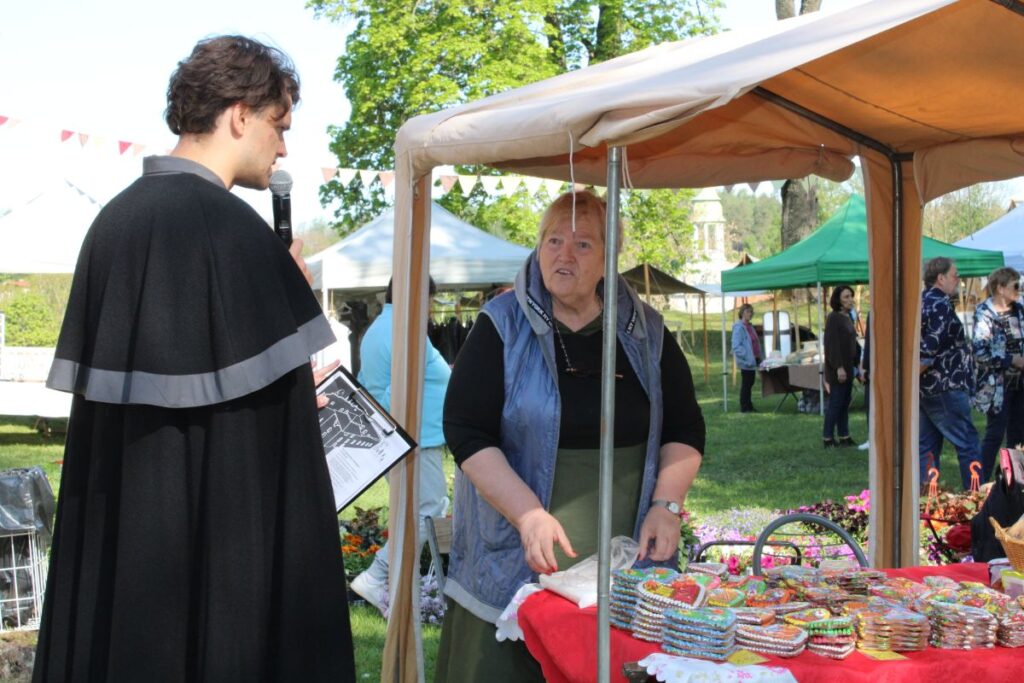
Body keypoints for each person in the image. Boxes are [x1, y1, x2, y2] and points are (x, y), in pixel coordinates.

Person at [34, 36, 355, 682]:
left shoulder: (111, 226)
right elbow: (274, 451)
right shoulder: (242, 237)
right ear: (240, 115)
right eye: (279, 125)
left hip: (125, 567)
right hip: (226, 581)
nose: (284, 148)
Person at [436, 190, 706, 682]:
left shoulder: (646, 331)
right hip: (518, 554)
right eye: (553, 240)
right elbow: (466, 429)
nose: (564, 255)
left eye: (583, 244)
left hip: (627, 555)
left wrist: (667, 505)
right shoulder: (502, 325)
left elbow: (684, 427)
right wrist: (527, 514)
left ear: (607, 258)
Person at [350, 276, 451, 614]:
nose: (431, 310)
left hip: (401, 436)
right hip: (413, 436)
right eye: (430, 301)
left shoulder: (381, 328)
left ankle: (395, 584)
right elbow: (405, 386)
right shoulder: (402, 330)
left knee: (417, 512)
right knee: (428, 511)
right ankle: (378, 577)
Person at [919, 257, 981, 490]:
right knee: (968, 443)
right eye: (955, 275)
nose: (959, 280)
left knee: (927, 446)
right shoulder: (940, 305)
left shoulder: (921, 301)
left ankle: (925, 500)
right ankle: (976, 499)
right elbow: (928, 350)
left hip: (925, 387)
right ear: (940, 278)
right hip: (945, 385)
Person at [972, 267, 1024, 481]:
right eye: (1016, 285)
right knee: (995, 434)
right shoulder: (984, 313)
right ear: (1001, 288)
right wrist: (1012, 360)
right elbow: (980, 352)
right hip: (997, 387)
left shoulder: (1019, 310)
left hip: (1020, 384)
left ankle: (1013, 482)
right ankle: (979, 482)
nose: (1019, 289)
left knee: (1018, 435)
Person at [823, 285, 859, 448]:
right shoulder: (833, 318)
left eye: (851, 296)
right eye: (846, 297)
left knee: (845, 403)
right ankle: (827, 437)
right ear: (838, 300)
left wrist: (857, 363)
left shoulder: (848, 317)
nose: (850, 299)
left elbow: (853, 342)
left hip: (849, 366)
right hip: (837, 368)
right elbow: (832, 345)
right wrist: (839, 367)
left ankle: (844, 435)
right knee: (836, 403)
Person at [731, 303, 761, 413]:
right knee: (747, 384)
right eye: (748, 311)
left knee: (750, 383)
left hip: (754, 359)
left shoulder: (750, 326)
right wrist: (746, 355)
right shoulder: (739, 328)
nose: (750, 314)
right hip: (747, 360)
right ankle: (744, 407)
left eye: (751, 312)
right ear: (742, 313)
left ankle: (749, 405)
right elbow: (736, 346)